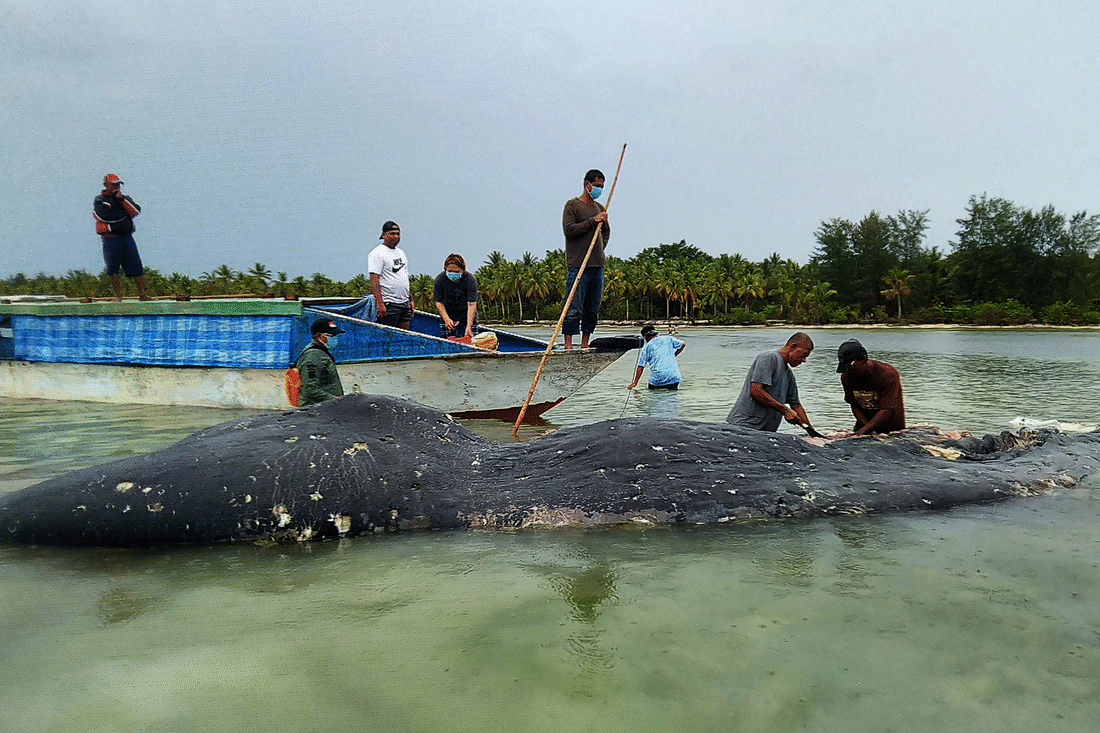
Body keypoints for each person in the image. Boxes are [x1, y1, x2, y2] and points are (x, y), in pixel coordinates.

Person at [727, 332, 815, 432]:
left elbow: (796, 405)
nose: (804, 360)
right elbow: (756, 391)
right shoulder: (769, 358)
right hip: (745, 425)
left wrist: (811, 431)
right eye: (804, 355)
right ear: (792, 347)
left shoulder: (788, 374)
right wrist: (785, 410)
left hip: (766, 431)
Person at [562, 168, 610, 349]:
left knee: (592, 309)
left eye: (602, 186)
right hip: (578, 265)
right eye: (597, 185)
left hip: (597, 265)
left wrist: (600, 247)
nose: (599, 189)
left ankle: (585, 344)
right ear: (587, 185)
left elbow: (606, 231)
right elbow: (569, 230)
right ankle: (568, 345)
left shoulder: (600, 209)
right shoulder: (572, 206)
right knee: (573, 307)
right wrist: (592, 221)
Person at [93, 173, 150, 301]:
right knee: (113, 268)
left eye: (118, 185)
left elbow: (135, 211)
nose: (116, 187)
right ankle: (118, 296)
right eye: (113, 185)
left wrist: (122, 200)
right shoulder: (100, 200)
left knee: (137, 265)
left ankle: (143, 294)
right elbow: (105, 216)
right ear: (106, 185)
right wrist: (124, 214)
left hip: (127, 237)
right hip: (111, 239)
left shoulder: (125, 199)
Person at [836, 338, 906, 435]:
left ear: (864, 359)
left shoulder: (887, 374)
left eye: (853, 368)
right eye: (846, 369)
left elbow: (887, 410)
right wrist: (865, 430)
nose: (850, 372)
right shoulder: (846, 376)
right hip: (864, 425)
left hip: (891, 429)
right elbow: (854, 405)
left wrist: (864, 432)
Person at [368, 220, 414, 330]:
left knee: (404, 333)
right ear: (384, 235)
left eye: (398, 234)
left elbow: (404, 277)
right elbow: (374, 279)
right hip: (389, 303)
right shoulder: (377, 253)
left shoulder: (401, 253)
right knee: (389, 333)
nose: (396, 237)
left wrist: (410, 300)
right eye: (392, 234)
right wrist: (380, 304)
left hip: (404, 302)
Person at [296, 318, 345, 406]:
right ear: (318, 336)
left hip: (328, 407)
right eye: (332, 336)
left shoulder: (322, 353)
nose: (335, 338)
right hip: (316, 409)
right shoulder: (312, 356)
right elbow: (310, 389)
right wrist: (334, 399)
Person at [627, 324, 686, 390]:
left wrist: (635, 383)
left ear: (646, 337)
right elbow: (683, 344)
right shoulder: (668, 339)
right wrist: (675, 355)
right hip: (673, 377)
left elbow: (641, 367)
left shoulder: (647, 347)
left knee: (653, 394)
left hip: (657, 379)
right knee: (672, 395)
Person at [433, 253, 478, 339]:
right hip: (448, 314)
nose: (453, 273)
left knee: (470, 340)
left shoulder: (470, 280)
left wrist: (469, 326)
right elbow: (439, 302)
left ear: (463, 270)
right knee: (448, 340)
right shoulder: (440, 280)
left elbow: (472, 304)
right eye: (450, 271)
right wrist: (446, 319)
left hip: (467, 316)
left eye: (457, 272)